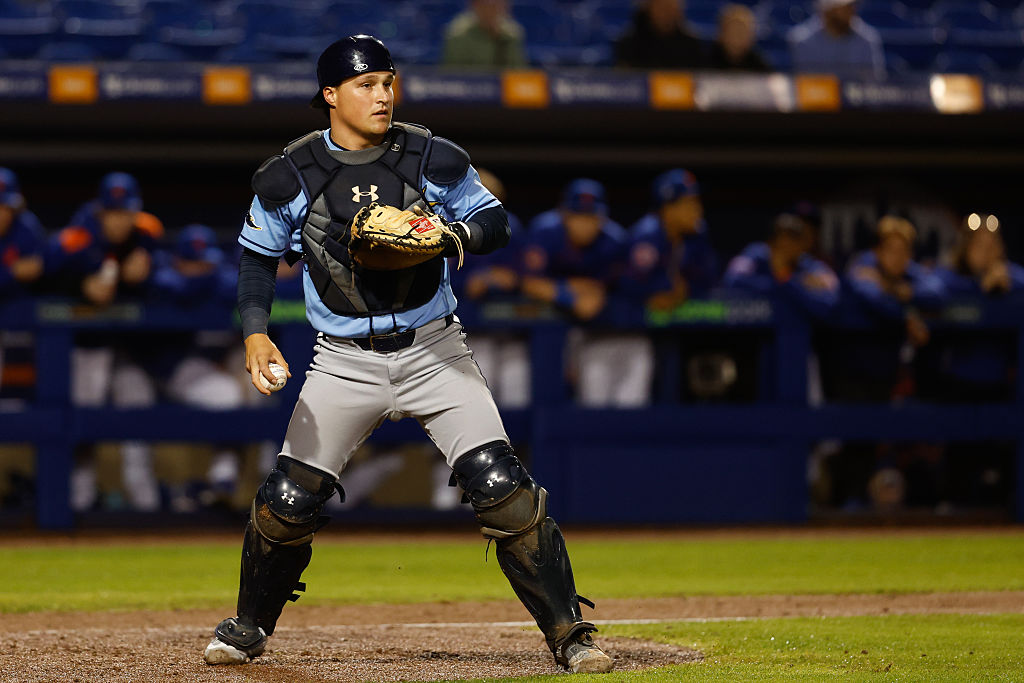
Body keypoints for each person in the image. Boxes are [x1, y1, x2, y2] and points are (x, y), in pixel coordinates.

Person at [202, 35, 613, 674]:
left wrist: (453, 233)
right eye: (366, 85)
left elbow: (497, 223)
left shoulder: (429, 155)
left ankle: (571, 637)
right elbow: (257, 259)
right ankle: (249, 627)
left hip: (434, 351)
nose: (382, 94)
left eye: (389, 82)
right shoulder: (292, 172)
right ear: (330, 96)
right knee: (286, 500)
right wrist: (256, 331)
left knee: (504, 490)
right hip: (342, 358)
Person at [47, 172, 164, 512]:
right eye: (112, 213)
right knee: (84, 416)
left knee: (137, 405)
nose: (119, 221)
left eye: (125, 213)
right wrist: (80, 286)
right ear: (100, 212)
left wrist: (146, 271)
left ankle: (145, 502)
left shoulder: (146, 231)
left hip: (128, 349)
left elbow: (155, 273)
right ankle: (76, 500)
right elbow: (47, 274)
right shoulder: (79, 237)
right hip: (86, 347)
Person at [519, 179, 648, 407]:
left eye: (592, 218)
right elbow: (529, 283)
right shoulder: (546, 232)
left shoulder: (613, 241)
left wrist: (569, 290)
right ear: (564, 215)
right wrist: (568, 293)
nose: (585, 225)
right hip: (549, 327)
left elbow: (599, 297)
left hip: (598, 330)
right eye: (578, 217)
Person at [622, 168, 718, 312]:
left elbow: (709, 278)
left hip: (681, 316)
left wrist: (685, 289)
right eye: (688, 203)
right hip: (637, 321)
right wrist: (666, 287)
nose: (697, 209)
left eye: (696, 202)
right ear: (667, 208)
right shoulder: (647, 234)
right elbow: (629, 285)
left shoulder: (697, 233)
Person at [723, 213, 839, 319]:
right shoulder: (756, 255)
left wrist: (786, 279)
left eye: (792, 244)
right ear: (771, 243)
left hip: (795, 334)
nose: (786, 250)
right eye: (781, 245)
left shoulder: (809, 267)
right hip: (757, 330)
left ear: (801, 247)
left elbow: (828, 304)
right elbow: (731, 280)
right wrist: (783, 282)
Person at [788, 0, 886, 80]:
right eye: (843, 8)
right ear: (828, 11)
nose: (851, 11)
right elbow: (804, 84)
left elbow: (873, 84)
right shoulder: (802, 41)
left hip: (858, 103)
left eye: (851, 6)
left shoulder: (868, 39)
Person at [616, 0, 704, 69]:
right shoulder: (629, 44)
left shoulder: (691, 44)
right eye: (661, 6)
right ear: (649, 8)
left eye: (671, 7)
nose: (666, 13)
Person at [0, 167, 45, 300]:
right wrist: (11, 272)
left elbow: (40, 266)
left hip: (16, 303)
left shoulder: (26, 226)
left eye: (7, 207)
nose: (2, 215)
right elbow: (18, 271)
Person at [441, 0, 527, 68]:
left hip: (503, 88)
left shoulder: (512, 34)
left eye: (497, 4)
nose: (492, 9)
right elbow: (452, 75)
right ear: (475, 5)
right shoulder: (458, 34)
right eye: (486, 5)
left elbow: (518, 73)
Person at [707, 4, 771, 72]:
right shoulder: (705, 61)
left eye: (741, 31)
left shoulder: (759, 64)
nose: (736, 37)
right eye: (732, 30)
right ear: (721, 33)